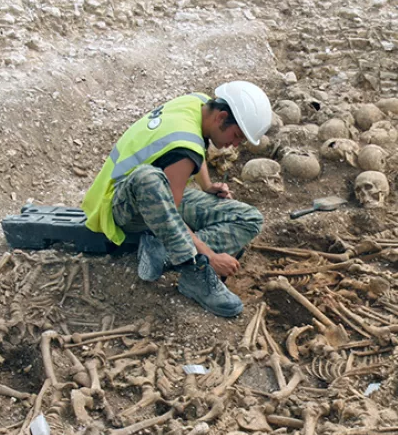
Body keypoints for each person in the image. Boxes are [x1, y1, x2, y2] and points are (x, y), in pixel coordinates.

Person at [81, 81, 272, 317]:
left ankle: (161, 253)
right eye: (236, 136)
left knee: (248, 218)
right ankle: (193, 271)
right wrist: (209, 256)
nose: (234, 144)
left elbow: (195, 147)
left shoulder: (197, 103)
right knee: (148, 178)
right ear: (222, 117)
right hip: (118, 208)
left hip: (149, 197)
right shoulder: (184, 150)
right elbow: (169, 213)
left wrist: (207, 185)